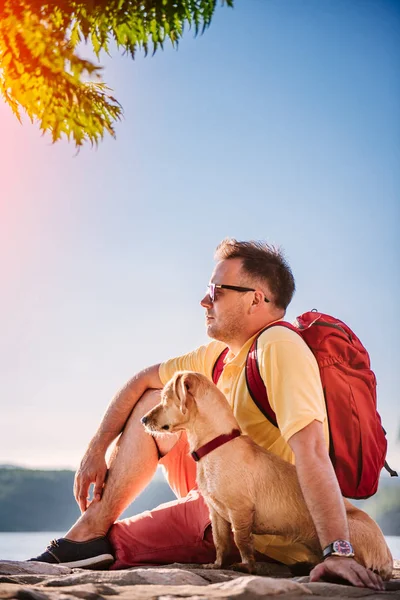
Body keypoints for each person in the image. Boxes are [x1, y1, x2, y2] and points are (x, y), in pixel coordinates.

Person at [31, 239, 385, 590]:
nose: (204, 300)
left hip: (255, 513)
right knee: (157, 396)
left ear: (255, 298)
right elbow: (141, 380)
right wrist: (97, 446)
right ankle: (89, 533)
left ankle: (92, 540)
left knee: (118, 545)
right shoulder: (218, 356)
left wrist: (337, 552)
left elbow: (311, 451)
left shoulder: (279, 347)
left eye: (216, 290)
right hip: (220, 481)